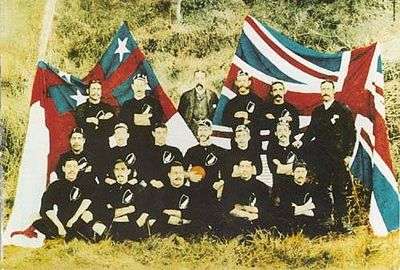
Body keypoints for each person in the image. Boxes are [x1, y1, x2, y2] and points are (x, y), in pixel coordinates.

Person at [293, 80, 356, 232]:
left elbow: (351, 134)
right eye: (323, 89)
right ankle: (327, 219)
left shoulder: (342, 109)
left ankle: (342, 221)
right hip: (321, 157)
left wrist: (348, 155)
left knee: (339, 189)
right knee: (322, 188)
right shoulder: (317, 111)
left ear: (334, 91)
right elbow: (311, 132)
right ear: (321, 92)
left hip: (338, 157)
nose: (326, 91)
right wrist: (301, 142)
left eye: (328, 89)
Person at [22, 158, 99, 241]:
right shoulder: (55, 185)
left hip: (78, 221)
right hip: (61, 221)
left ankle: (70, 236)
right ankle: (67, 236)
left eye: (74, 167)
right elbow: (47, 207)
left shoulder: (85, 183)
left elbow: (88, 200)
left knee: (88, 218)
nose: (72, 169)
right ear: (63, 168)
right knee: (34, 218)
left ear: (78, 169)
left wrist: (74, 219)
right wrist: (59, 226)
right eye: (69, 166)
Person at [89, 159, 151, 241]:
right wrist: (128, 209)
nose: (119, 172)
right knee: (96, 226)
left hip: (129, 225)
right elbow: (103, 210)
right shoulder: (109, 189)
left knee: (132, 228)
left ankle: (113, 237)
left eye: (123, 169)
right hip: (113, 223)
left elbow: (138, 209)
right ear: (114, 172)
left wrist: (115, 211)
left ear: (128, 171)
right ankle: (113, 237)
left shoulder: (136, 188)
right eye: (117, 169)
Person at [271, 161, 331, 237]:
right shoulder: (286, 188)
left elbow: (321, 206)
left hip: (309, 219)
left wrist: (299, 209)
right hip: (293, 220)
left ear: (306, 173)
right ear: (293, 173)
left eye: (303, 171)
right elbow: (286, 209)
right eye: (298, 171)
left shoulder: (313, 188)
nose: (300, 174)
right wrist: (308, 206)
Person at [221, 160, 272, 238]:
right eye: (242, 166)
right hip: (237, 218)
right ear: (238, 168)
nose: (244, 169)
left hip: (256, 217)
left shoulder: (262, 186)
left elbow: (264, 208)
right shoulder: (230, 185)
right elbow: (227, 207)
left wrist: (244, 208)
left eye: (247, 166)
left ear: (252, 169)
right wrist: (247, 215)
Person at [119, 74, 163, 148]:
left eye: (141, 85)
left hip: (150, 143)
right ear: (133, 86)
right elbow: (123, 123)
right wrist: (145, 119)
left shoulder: (154, 103)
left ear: (145, 86)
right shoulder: (127, 104)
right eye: (137, 85)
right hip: (131, 143)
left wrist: (134, 118)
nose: (139, 88)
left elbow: (157, 121)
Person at [74, 80, 116, 153]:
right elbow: (82, 126)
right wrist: (104, 121)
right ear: (88, 91)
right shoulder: (81, 108)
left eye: (98, 89)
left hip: (105, 147)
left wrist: (95, 121)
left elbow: (112, 127)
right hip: (87, 148)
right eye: (93, 89)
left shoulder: (107, 107)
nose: (96, 92)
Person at [184, 119, 226, 189]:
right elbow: (181, 171)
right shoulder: (191, 151)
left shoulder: (220, 151)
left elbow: (227, 172)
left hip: (212, 192)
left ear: (210, 132)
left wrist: (221, 183)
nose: (202, 133)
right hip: (195, 191)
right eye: (200, 130)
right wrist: (189, 175)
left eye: (205, 130)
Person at [178, 69, 219, 134]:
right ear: (194, 80)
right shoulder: (186, 96)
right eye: (197, 78)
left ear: (206, 80)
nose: (199, 81)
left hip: (207, 128)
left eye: (202, 78)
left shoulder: (212, 95)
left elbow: (217, 114)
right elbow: (180, 115)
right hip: (191, 129)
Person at [266, 122, 300, 195]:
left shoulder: (297, 147)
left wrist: (282, 166)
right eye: (280, 130)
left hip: (297, 187)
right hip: (279, 188)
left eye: (285, 130)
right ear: (276, 133)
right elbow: (276, 170)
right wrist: (294, 167)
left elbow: (303, 169)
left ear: (290, 132)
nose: (282, 133)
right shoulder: (272, 149)